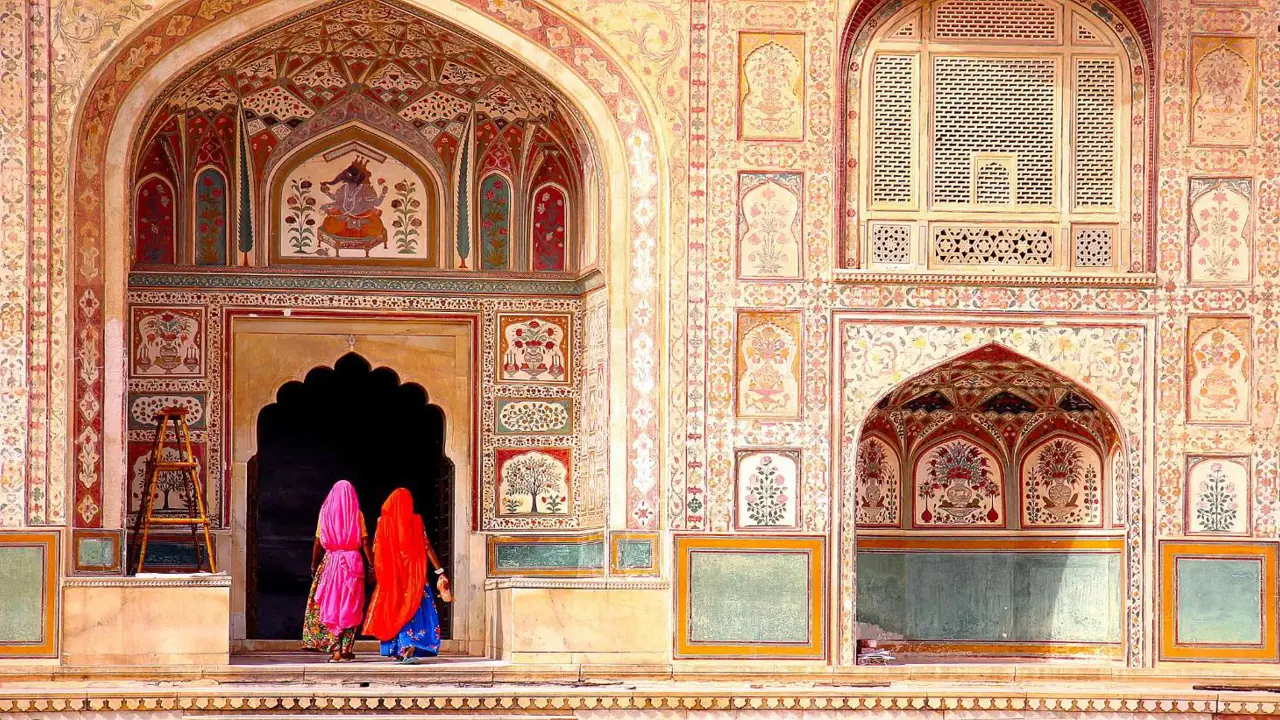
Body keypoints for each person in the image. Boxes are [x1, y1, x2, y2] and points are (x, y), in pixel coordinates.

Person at [363, 488, 451, 663]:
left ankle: (398, 648)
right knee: (413, 609)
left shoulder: (382, 522)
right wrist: (440, 571)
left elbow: (376, 548)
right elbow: (427, 547)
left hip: (392, 574)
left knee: (395, 608)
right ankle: (407, 647)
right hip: (414, 574)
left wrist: (375, 570)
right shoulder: (416, 521)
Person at [302, 480, 372, 662]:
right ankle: (346, 649)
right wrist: (372, 565)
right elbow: (365, 542)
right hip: (353, 564)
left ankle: (336, 651)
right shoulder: (357, 515)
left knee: (330, 605)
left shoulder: (325, 514)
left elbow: (317, 542)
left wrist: (313, 564)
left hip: (330, 564)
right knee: (350, 606)